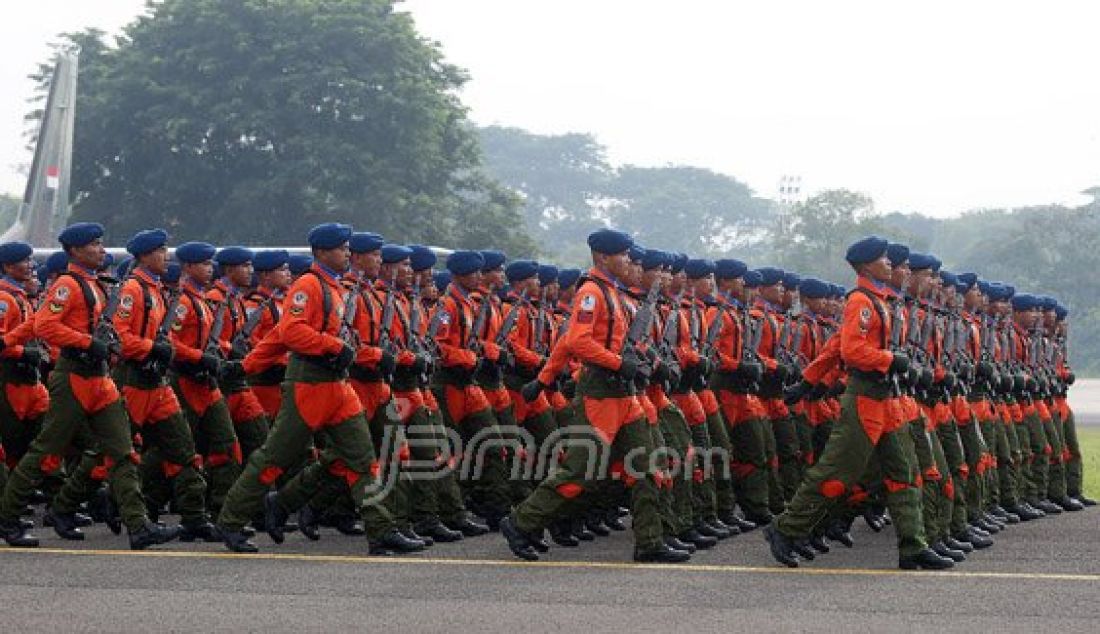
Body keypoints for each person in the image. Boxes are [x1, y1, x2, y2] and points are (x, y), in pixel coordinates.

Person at [763, 235, 952, 570]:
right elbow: (851, 351)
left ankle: (913, 546)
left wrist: (808, 379)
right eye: (886, 260)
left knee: (903, 473)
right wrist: (889, 359)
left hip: (887, 400)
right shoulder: (861, 301)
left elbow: (835, 345)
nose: (893, 266)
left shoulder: (880, 301)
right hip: (866, 399)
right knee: (836, 471)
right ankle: (785, 528)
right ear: (867, 265)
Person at [501, 228, 687, 563]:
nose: (629, 261)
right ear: (602, 257)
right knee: (580, 471)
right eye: (623, 255)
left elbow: (593, 342)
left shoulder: (613, 293)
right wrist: (547, 380)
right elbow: (577, 343)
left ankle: (650, 540)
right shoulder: (592, 293)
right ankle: (521, 522)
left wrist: (640, 363)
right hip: (600, 392)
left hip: (624, 393)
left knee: (647, 466)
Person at [0, 223, 179, 549]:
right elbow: (45, 324)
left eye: (100, 243)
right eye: (93, 244)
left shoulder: (93, 284)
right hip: (74, 377)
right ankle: (8, 517)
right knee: (47, 449)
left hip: (99, 378)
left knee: (123, 451)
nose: (100, 249)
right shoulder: (68, 284)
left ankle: (138, 526)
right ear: (76, 250)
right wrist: (86, 342)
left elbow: (38, 319)